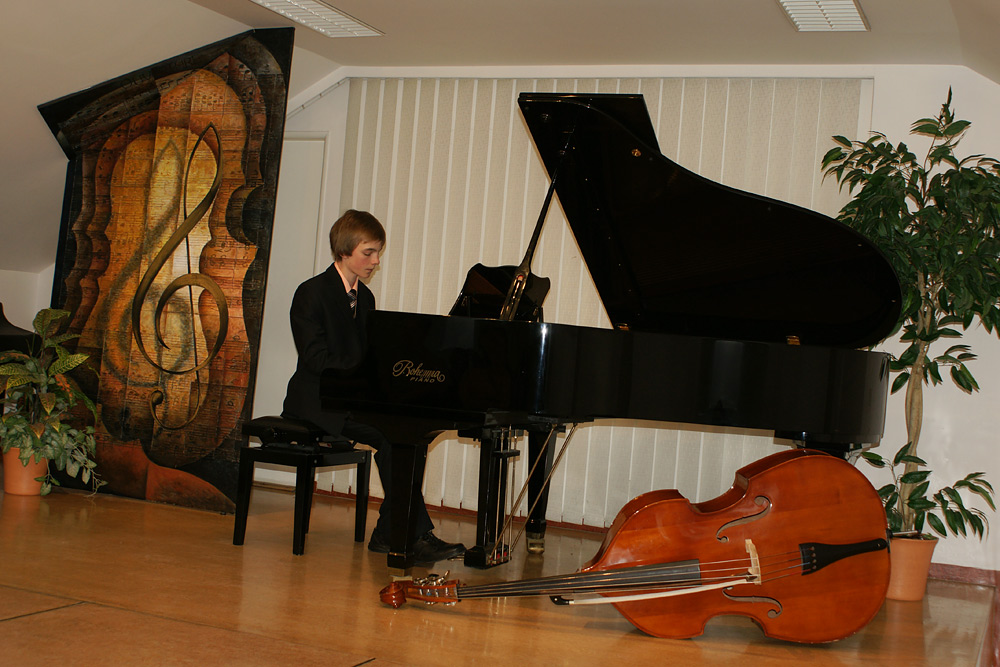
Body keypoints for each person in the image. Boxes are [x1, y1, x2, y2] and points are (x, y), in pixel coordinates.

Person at [281, 209, 465, 563]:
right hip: (317, 401)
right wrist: (365, 369)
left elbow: (367, 354)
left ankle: (390, 532)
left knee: (413, 437)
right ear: (344, 250)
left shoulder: (365, 299)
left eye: (378, 252)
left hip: (350, 400)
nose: (376, 261)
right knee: (392, 438)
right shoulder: (311, 293)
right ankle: (409, 535)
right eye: (369, 252)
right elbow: (315, 359)